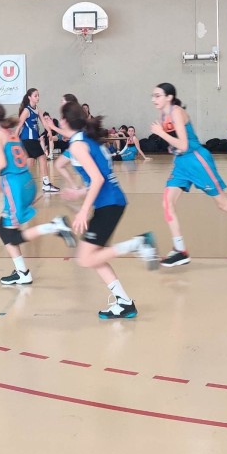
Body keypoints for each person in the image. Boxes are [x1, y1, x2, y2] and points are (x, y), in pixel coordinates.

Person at [53, 101, 157, 319]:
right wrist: (80, 193)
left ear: (65, 121)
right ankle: (124, 303)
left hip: (108, 204)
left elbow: (98, 179)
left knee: (85, 259)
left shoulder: (78, 145)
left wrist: (83, 210)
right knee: (95, 257)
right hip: (111, 202)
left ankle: (138, 244)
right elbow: (100, 177)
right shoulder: (86, 139)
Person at [151, 82, 227, 268]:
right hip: (181, 164)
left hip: (197, 160)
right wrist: (169, 145)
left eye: (158, 95)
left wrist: (161, 133)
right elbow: (176, 145)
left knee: (223, 204)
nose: (154, 99)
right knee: (167, 202)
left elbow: (184, 145)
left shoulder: (177, 112)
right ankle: (180, 250)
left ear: (169, 97)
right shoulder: (163, 115)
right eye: (153, 96)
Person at [0, 102, 76, 287]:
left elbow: (1, 163)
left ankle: (54, 227)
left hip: (15, 186)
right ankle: (22, 272)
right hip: (27, 182)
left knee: (11, 235)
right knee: (3, 229)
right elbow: (22, 157)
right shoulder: (9, 132)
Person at [16, 88, 59, 193]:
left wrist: (49, 131)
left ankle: (20, 183)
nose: (38, 97)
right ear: (29, 97)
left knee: (30, 162)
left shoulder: (37, 109)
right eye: (35, 96)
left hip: (33, 139)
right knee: (42, 158)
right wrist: (14, 138)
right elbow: (19, 125)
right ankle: (46, 184)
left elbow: (43, 121)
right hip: (28, 138)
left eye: (38, 95)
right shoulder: (26, 110)